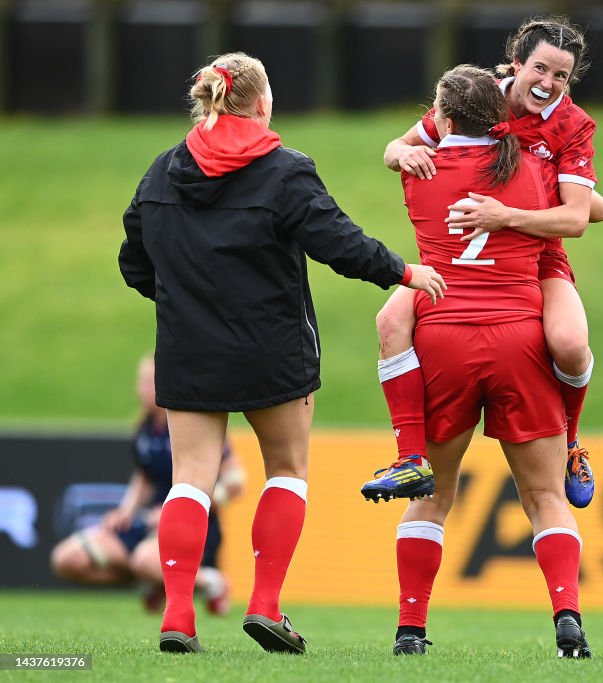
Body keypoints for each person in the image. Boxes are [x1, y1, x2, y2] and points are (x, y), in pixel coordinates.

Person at [118, 52, 445, 655]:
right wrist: (403, 270)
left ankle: (177, 616)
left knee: (189, 480)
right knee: (287, 471)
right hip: (272, 346)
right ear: (263, 103)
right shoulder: (284, 168)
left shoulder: (162, 171)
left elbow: (133, 261)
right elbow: (338, 243)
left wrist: (185, 301)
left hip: (189, 348)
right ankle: (265, 605)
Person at [361, 16, 603, 509]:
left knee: (570, 343)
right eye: (540, 69)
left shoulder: (574, 125)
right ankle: (409, 457)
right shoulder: (477, 97)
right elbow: (400, 146)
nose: (548, 83)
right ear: (517, 63)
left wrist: (506, 216)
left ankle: (571, 443)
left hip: (537, 256)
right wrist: (398, 154)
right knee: (390, 318)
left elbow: (578, 219)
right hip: (465, 259)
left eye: (561, 76)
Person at [389, 65, 590, 659]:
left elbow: (404, 152)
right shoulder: (534, 169)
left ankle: (410, 631)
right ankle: (568, 623)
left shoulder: (417, 173)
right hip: (518, 339)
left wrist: (404, 151)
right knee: (545, 497)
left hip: (442, 337)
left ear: (444, 119)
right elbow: (585, 213)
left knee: (432, 494)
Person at [50, 355, 243, 616]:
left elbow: (235, 483)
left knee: (145, 560)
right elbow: (144, 477)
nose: (142, 389)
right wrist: (125, 511)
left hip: (190, 526)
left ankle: (211, 582)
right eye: (140, 382)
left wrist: (178, 511)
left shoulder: (196, 426)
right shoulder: (144, 429)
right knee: (67, 560)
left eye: (148, 381)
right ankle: (152, 582)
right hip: (148, 522)